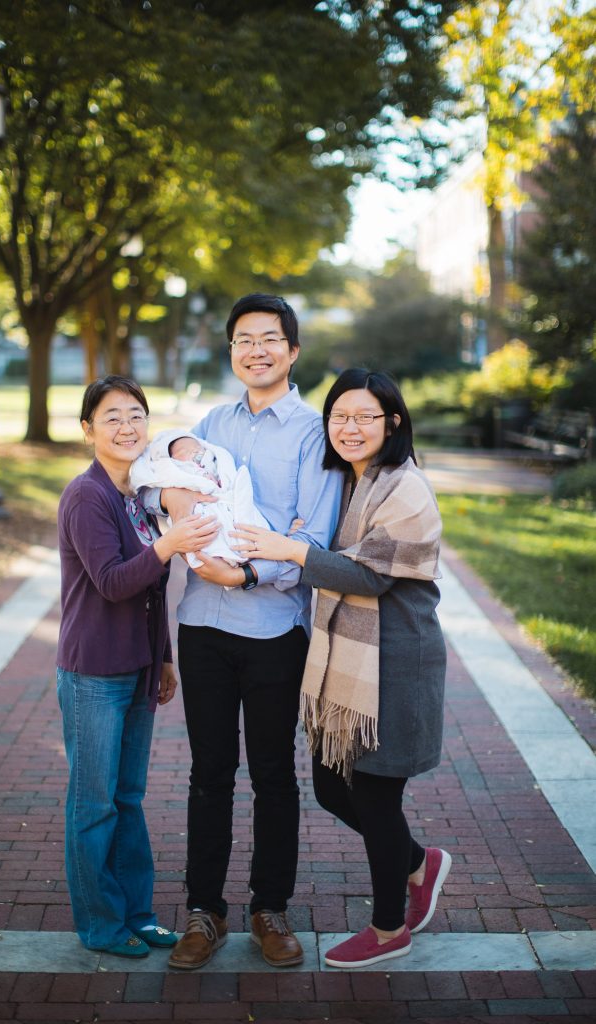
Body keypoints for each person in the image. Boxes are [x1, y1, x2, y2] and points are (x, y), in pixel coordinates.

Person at [144, 294, 343, 970]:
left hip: (273, 627)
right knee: (208, 773)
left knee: (272, 774)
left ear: (290, 350)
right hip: (201, 623)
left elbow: (312, 534)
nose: (254, 350)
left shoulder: (314, 432)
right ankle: (204, 911)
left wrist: (251, 576)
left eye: (268, 339)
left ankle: (269, 908)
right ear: (231, 351)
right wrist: (174, 497)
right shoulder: (210, 424)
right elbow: (162, 485)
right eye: (242, 340)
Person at [233, 368, 451, 970]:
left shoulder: (405, 489)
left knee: (378, 796)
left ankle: (389, 931)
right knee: (332, 785)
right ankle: (415, 863)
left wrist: (288, 549)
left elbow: (369, 576)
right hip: (351, 665)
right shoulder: (350, 482)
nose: (349, 428)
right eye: (340, 417)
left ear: (393, 423)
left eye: (364, 417)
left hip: (395, 663)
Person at [56, 374, 220, 957]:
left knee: (128, 798)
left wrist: (165, 657)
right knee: (93, 803)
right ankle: (102, 924)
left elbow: (154, 593)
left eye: (135, 416)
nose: (126, 428)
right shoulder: (87, 495)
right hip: (93, 674)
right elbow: (112, 583)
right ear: (87, 430)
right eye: (111, 417)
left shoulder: (141, 494)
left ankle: (139, 914)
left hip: (139, 667)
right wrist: (171, 544)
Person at [129, 427, 270, 569]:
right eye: (181, 452)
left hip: (230, 501)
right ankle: (223, 552)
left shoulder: (212, 458)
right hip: (204, 510)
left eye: (195, 449)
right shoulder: (177, 467)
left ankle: (242, 549)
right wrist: (168, 496)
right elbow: (147, 493)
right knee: (207, 531)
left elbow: (223, 470)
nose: (192, 453)